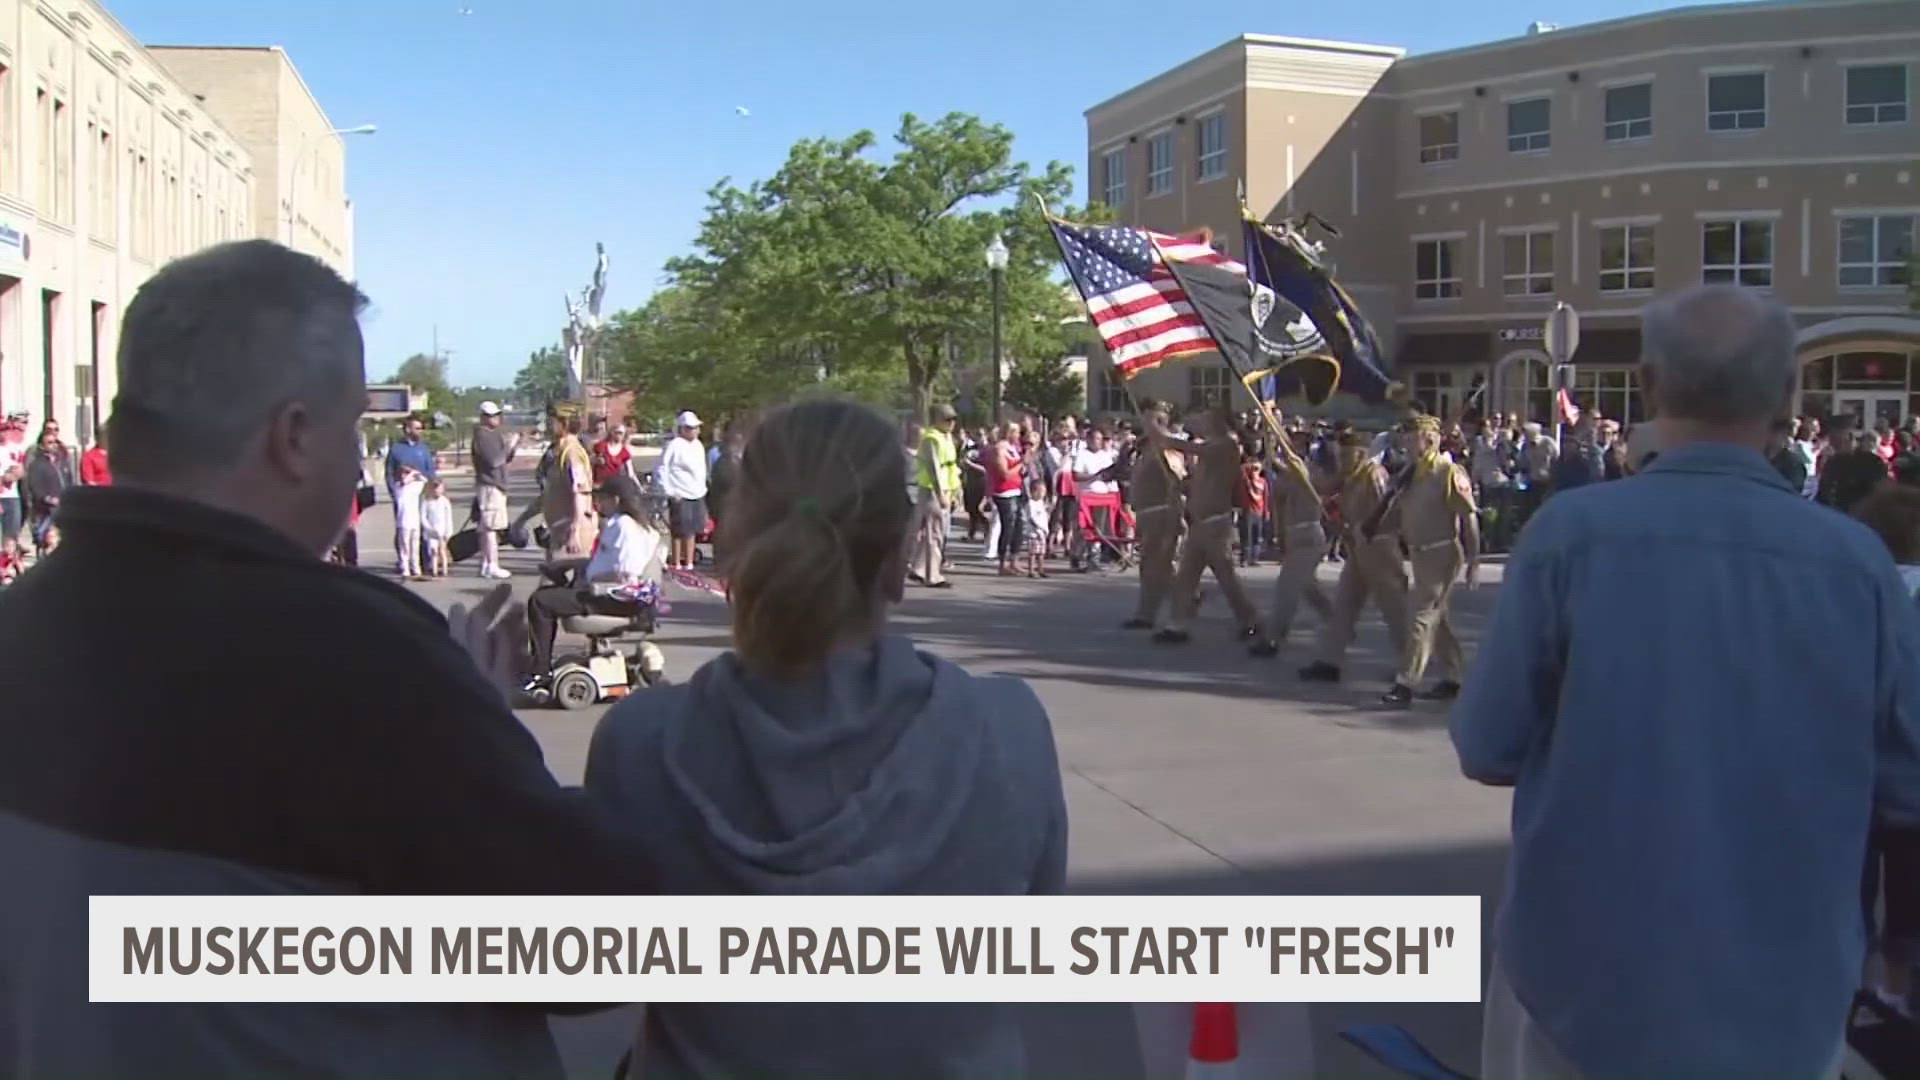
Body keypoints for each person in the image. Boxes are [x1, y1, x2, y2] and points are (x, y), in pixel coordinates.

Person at [0, 239, 648, 1077]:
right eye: (352, 430)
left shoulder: (21, 624)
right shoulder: (365, 661)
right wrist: (477, 719)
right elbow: (595, 951)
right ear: (296, 437)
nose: (356, 462)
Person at [1453, 284, 1920, 1080]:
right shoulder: (1859, 567)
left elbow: (1489, 745)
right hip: (1785, 991)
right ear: (1787, 396)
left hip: (1580, 980)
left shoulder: (1570, 537)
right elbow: (1906, 785)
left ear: (1647, 385)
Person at [584, 399, 1067, 1078]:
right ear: (898, 557)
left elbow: (582, 980)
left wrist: (477, 759)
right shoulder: (1007, 726)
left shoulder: (641, 743)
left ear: (736, 550)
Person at [1378, 414, 1479, 706]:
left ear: (1431, 439)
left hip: (1442, 553)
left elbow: (1468, 517)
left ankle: (1405, 683)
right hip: (1419, 553)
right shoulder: (1412, 473)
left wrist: (1474, 560)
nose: (1408, 443)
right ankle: (1454, 676)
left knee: (1421, 617)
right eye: (1406, 437)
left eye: (1413, 437)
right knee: (1436, 617)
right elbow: (1399, 515)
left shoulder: (1447, 471)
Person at [524, 474, 663, 682]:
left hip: (613, 597)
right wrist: (568, 565)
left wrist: (590, 583)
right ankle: (540, 664)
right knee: (547, 594)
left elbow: (625, 573)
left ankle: (540, 672)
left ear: (616, 500)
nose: (599, 503)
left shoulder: (625, 526)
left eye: (603, 498)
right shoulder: (629, 524)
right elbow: (607, 561)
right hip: (610, 593)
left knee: (540, 603)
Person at [1300, 432, 1410, 683]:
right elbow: (1321, 487)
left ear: (1361, 453)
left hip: (1379, 547)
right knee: (1344, 605)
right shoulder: (1350, 477)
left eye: (1347, 455)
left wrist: (1366, 530)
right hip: (1357, 547)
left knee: (1394, 609)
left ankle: (1410, 665)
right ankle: (1330, 661)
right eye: (1340, 455)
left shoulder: (1374, 475)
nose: (1342, 460)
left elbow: (1390, 510)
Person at [1153, 407, 1263, 645]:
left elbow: (1195, 448)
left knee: (1226, 578)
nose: (1201, 421)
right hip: (1199, 524)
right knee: (1186, 578)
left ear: (1219, 421)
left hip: (1216, 524)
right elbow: (1200, 482)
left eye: (1206, 418)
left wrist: (1162, 436)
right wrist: (1183, 485)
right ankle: (1177, 625)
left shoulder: (1227, 444)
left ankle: (1251, 620)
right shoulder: (1210, 449)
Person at [1250, 425, 1333, 657]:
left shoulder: (1314, 472)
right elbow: (1279, 490)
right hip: (1294, 534)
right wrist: (1270, 445)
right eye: (1293, 442)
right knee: (1309, 588)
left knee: (1286, 589)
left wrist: (1282, 448)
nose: (1293, 447)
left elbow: (1311, 481)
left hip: (1309, 534)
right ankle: (1339, 623)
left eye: (1298, 443)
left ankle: (1273, 638)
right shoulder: (1289, 474)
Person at [1123, 401, 1185, 630]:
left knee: (1155, 566)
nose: (1143, 423)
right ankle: (1184, 601)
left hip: (1161, 513)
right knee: (1156, 567)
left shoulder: (1166, 449)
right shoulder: (1148, 448)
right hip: (1147, 513)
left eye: (1148, 419)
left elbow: (1178, 480)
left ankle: (1147, 614)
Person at [469, 400, 518, 580]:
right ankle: (492, 564)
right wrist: (508, 445)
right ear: (482, 418)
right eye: (491, 415)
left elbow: (505, 459)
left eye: (497, 414)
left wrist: (511, 447)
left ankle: (486, 563)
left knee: (486, 526)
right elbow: (495, 461)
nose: (496, 418)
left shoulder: (493, 435)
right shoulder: (483, 436)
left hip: (494, 484)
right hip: (490, 485)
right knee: (491, 526)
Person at [655, 410, 708, 571]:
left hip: (697, 492)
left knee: (693, 529)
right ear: (682, 429)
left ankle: (689, 562)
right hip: (679, 493)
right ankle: (677, 562)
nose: (695, 431)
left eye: (696, 428)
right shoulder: (674, 445)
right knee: (679, 530)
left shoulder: (698, 446)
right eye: (691, 428)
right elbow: (661, 468)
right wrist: (669, 491)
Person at [915, 404, 961, 588]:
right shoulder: (931, 439)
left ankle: (919, 568)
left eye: (953, 419)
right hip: (932, 490)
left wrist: (955, 491)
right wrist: (941, 492)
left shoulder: (946, 437)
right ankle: (932, 575)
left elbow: (951, 467)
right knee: (935, 534)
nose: (952, 423)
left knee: (933, 532)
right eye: (947, 419)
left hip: (946, 489)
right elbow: (934, 467)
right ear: (937, 420)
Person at [542, 410, 596, 561]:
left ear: (564, 424)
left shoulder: (572, 453)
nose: (547, 427)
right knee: (553, 577)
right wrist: (522, 519)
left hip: (572, 529)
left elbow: (579, 493)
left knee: (576, 579)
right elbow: (550, 490)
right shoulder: (558, 451)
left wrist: (574, 532)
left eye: (551, 423)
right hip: (558, 527)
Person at [1818, 417, 1890, 514]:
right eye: (1831, 440)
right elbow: (1824, 492)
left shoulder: (1871, 462)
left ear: (1850, 437)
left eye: (1837, 440)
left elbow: (1879, 494)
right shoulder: (1832, 462)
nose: (1833, 444)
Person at [24, 429, 73, 557]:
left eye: (55, 442)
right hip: (45, 508)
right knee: (45, 536)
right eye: (49, 443)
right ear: (42, 445)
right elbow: (34, 486)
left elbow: (69, 480)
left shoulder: (62, 462)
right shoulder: (37, 464)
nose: (53, 445)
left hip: (63, 504)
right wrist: (47, 498)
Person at [393, 465, 426, 580]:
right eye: (403, 473)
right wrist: (410, 475)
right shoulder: (398, 487)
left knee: (415, 546)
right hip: (403, 521)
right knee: (405, 546)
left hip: (414, 520)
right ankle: (405, 567)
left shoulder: (415, 487)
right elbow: (404, 482)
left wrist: (415, 473)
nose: (405, 475)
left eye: (406, 473)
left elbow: (424, 480)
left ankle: (416, 567)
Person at [0, 413, 25, 553]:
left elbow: (21, 469)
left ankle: (7, 566)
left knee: (11, 536)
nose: (4, 432)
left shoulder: (14, 448)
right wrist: (3, 478)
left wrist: (17, 473)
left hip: (12, 496)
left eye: (5, 429)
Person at [421, 477, 453, 578]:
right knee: (433, 551)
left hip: (442, 530)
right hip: (431, 531)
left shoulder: (445, 502)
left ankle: (444, 570)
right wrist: (428, 529)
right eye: (435, 489)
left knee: (442, 551)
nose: (437, 491)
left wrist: (448, 531)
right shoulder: (427, 502)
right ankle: (434, 570)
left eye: (439, 488)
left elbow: (448, 517)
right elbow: (423, 517)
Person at [1022, 473, 1051, 579]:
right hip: (1034, 532)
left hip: (1042, 531)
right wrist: (1037, 528)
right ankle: (1031, 570)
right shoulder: (1030, 504)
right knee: (1033, 552)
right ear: (1034, 491)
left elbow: (1043, 515)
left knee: (1041, 552)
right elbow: (1031, 518)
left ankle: (1041, 569)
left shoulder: (1041, 502)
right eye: (1041, 491)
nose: (1043, 494)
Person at [591, 421, 634, 487]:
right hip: (598, 485)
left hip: (614, 485)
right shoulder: (601, 446)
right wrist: (595, 460)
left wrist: (638, 487)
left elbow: (630, 473)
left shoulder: (624, 452)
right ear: (612, 432)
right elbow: (589, 461)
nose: (620, 435)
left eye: (622, 433)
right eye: (618, 432)